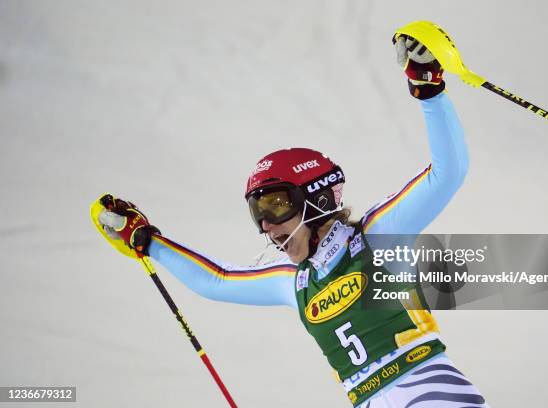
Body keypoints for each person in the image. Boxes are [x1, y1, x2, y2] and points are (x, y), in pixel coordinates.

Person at [98, 36, 489, 407]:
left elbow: (448, 172)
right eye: (258, 213)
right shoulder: (296, 281)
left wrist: (429, 89)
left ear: (317, 200)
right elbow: (216, 281)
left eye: (276, 205)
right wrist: (146, 240)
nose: (267, 225)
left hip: (432, 390)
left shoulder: (376, 236)